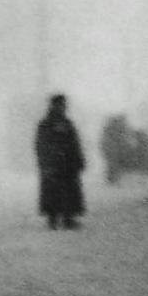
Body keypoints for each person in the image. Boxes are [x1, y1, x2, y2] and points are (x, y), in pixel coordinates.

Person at [35, 93, 86, 230]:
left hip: (68, 165)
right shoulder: (46, 124)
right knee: (53, 192)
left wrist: (79, 159)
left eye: (64, 105)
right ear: (54, 105)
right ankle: (53, 220)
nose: (63, 107)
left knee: (68, 192)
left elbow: (74, 143)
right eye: (61, 104)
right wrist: (46, 163)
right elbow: (41, 145)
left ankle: (68, 218)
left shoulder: (67, 123)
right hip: (54, 165)